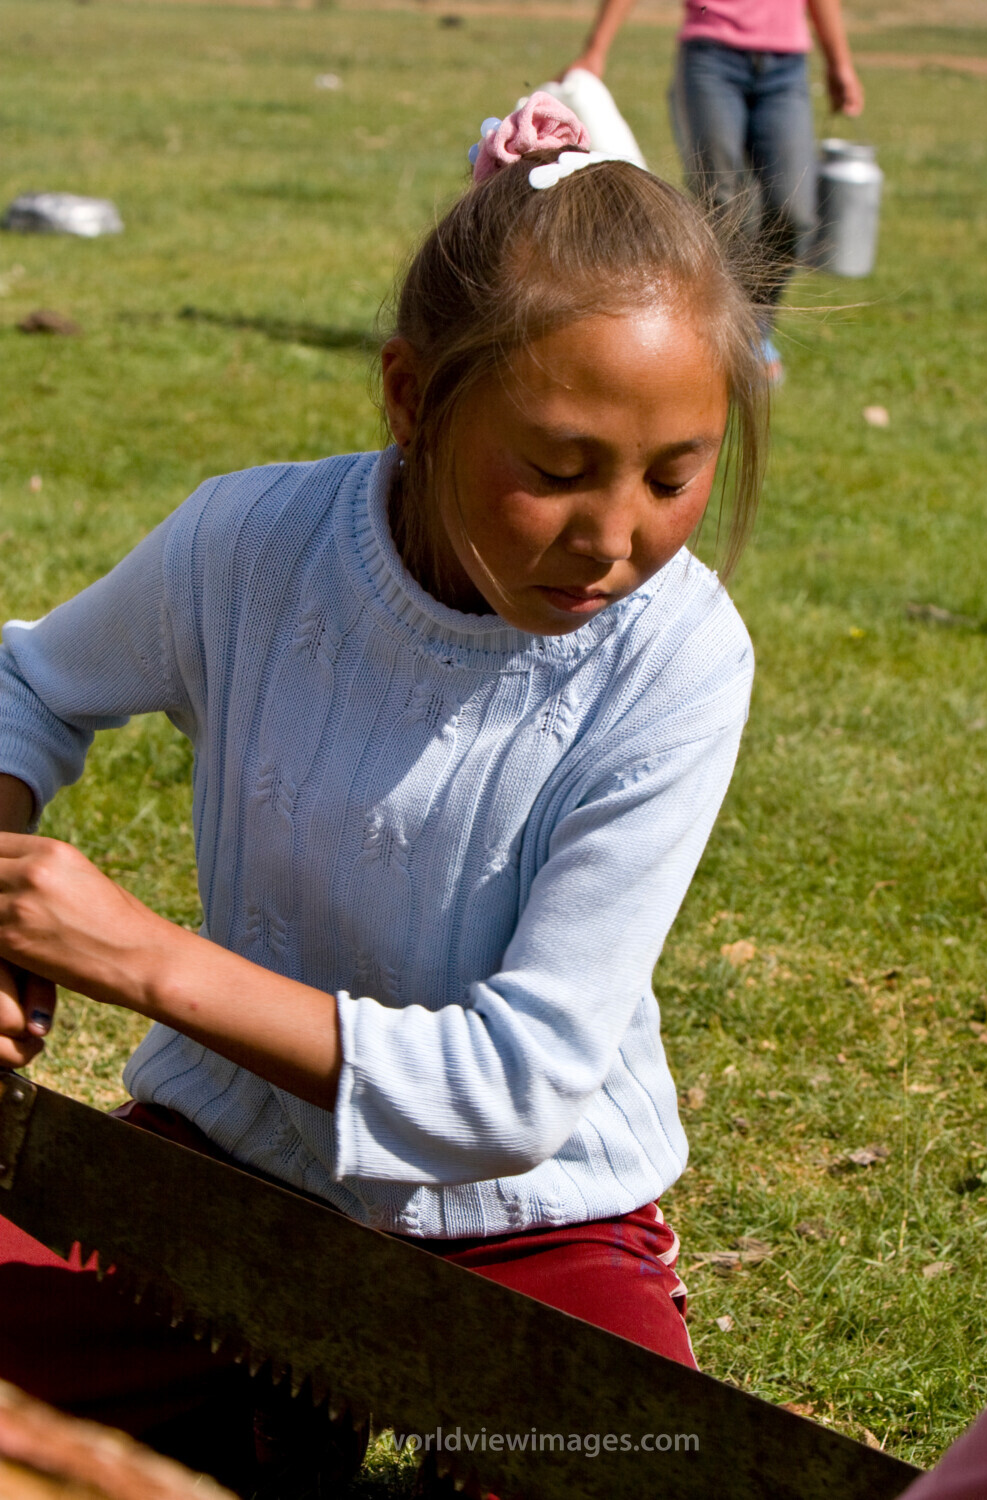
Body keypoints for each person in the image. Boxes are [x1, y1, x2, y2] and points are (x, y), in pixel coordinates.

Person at [0, 94, 766, 1497]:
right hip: (220, 1171)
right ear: (412, 397)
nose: (614, 538)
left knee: (643, 1473)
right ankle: (249, 1412)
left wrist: (137, 958)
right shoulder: (249, 542)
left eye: (676, 475)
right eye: (555, 471)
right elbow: (29, 685)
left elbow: (517, 1092)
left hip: (533, 1228)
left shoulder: (682, 657)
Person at [563, 0, 865, 382]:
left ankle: (752, 328)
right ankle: (718, 338)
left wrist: (839, 62)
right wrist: (596, 50)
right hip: (711, 58)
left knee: (794, 209)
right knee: (723, 204)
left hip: (786, 66)